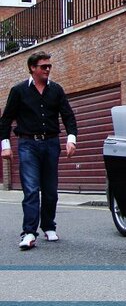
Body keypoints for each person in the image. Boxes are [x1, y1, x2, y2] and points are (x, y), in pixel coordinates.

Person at [0, 51, 78, 250]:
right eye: (43, 66)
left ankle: (49, 226)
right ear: (32, 68)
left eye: (49, 66)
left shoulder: (56, 90)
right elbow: (6, 119)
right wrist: (6, 145)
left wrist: (71, 139)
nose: (48, 69)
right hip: (28, 145)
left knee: (50, 190)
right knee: (32, 189)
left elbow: (68, 115)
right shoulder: (18, 91)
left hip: (51, 144)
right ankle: (28, 232)